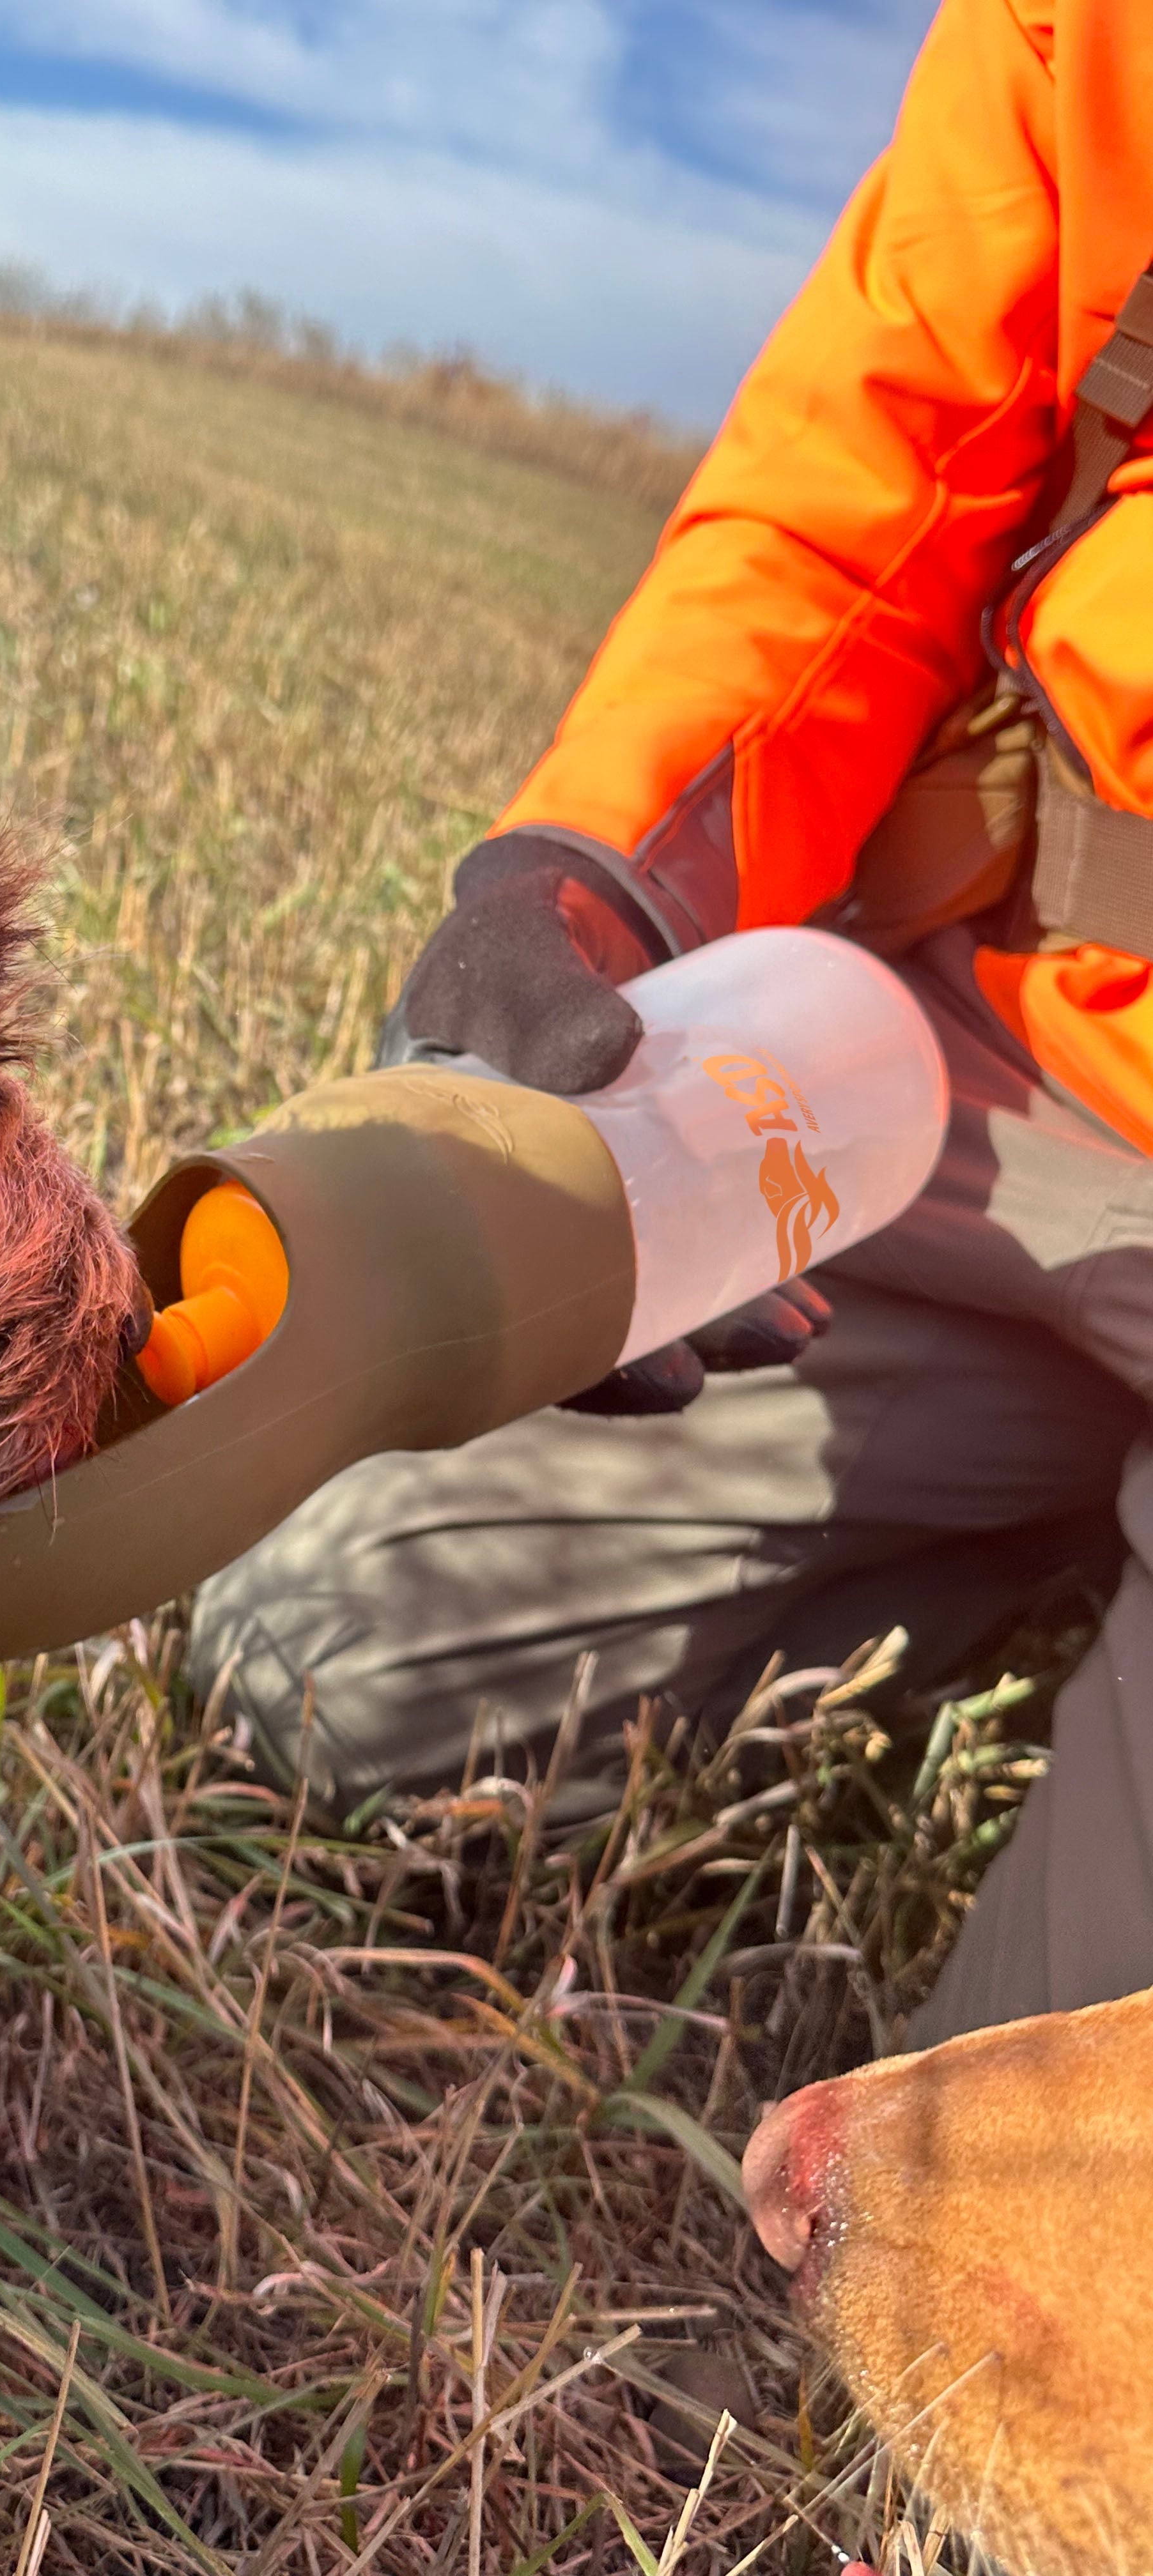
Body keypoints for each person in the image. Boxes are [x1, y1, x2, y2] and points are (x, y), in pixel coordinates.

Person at [187, 0, 1153, 2048]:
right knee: (323, 1646)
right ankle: (1054, 1512)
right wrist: (604, 875)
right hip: (982, 1071)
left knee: (1005, 2270)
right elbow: (863, 485)